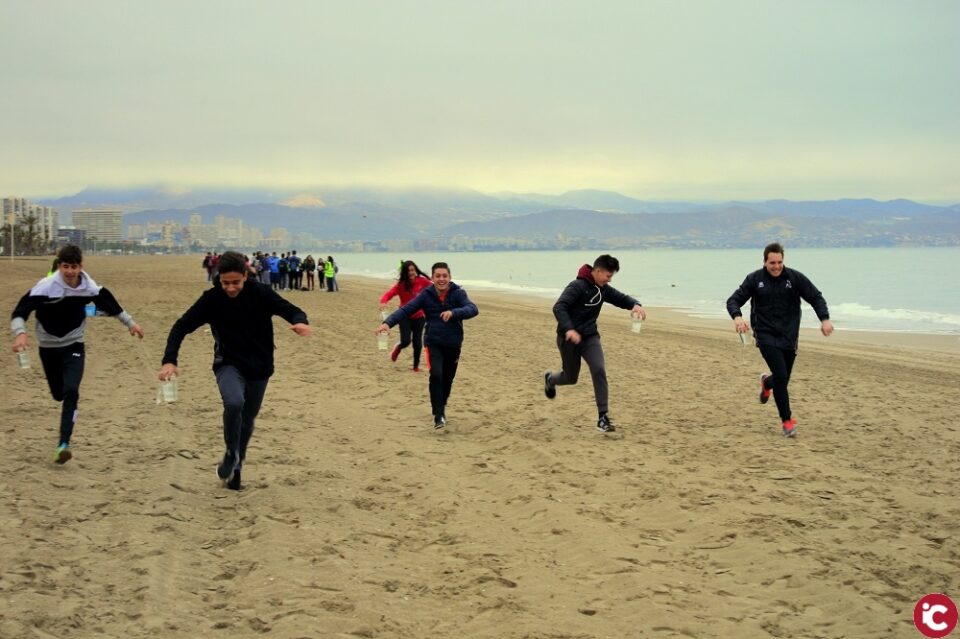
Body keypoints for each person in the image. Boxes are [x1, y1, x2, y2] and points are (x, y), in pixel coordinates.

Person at [158, 251, 311, 490]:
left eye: (236, 282)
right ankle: (231, 452)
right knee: (234, 403)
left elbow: (291, 310)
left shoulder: (261, 293)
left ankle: (237, 464)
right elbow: (181, 327)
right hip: (228, 363)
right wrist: (169, 360)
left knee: (247, 421)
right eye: (225, 283)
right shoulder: (211, 299)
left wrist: (300, 321)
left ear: (245, 276)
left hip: (260, 367)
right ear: (219, 279)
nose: (230, 288)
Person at [10, 244, 144, 464]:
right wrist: (21, 334)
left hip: (74, 345)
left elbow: (112, 306)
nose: (70, 271)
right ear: (59, 266)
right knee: (58, 393)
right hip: (48, 347)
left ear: (81, 266)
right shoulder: (46, 287)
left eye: (74, 267)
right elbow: (19, 312)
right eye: (65, 267)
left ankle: (64, 444)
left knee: (72, 390)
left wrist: (131, 324)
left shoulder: (89, 287)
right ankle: (63, 408)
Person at [726, 242, 833, 438]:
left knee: (782, 379)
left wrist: (824, 319)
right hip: (765, 334)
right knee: (782, 378)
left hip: (789, 336)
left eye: (779, 262)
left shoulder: (794, 278)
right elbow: (733, 300)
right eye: (772, 263)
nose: (776, 267)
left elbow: (816, 297)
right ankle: (787, 422)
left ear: (783, 261)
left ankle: (767, 383)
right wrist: (737, 317)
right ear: (764, 262)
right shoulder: (754, 279)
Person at [544, 254, 644, 433]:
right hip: (568, 339)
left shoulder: (603, 289)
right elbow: (559, 307)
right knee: (571, 378)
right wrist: (569, 329)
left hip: (590, 337)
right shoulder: (577, 286)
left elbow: (621, 299)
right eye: (608, 275)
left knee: (599, 369)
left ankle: (602, 417)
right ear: (597, 271)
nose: (609, 279)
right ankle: (551, 379)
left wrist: (635, 305)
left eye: (612, 276)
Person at [377, 262, 478, 429]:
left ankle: (441, 405)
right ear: (432, 278)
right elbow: (406, 309)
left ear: (450, 277)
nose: (441, 279)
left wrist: (454, 313)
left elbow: (473, 309)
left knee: (447, 379)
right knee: (436, 374)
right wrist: (387, 323)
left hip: (453, 343)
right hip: (433, 342)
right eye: (438, 276)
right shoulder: (426, 294)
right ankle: (438, 415)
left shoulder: (458, 293)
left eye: (444, 276)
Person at [379, 260, 432, 371]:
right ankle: (398, 348)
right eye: (408, 271)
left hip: (419, 317)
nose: (411, 273)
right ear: (405, 273)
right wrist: (383, 302)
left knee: (417, 343)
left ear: (415, 270)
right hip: (404, 317)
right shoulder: (401, 285)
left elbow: (434, 287)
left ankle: (415, 367)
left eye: (412, 270)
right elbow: (388, 294)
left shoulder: (422, 281)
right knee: (406, 341)